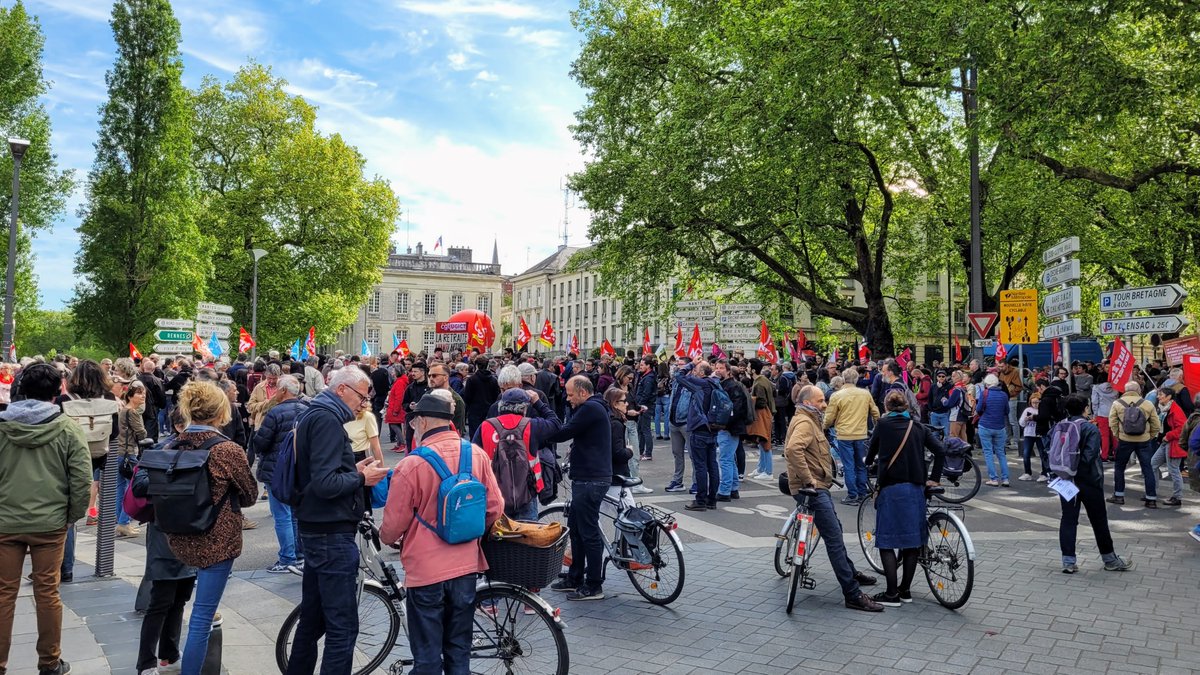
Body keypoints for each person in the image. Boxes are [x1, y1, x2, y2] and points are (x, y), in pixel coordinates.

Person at [380, 391, 503, 673]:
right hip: (466, 566)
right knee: (459, 649)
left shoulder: (411, 464)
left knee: (427, 655)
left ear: (421, 422)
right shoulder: (476, 454)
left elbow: (392, 526)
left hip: (426, 572)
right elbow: (495, 507)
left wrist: (386, 536)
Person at [285, 366, 390, 674]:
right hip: (330, 533)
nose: (365, 402)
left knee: (313, 621)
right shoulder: (327, 420)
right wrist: (361, 476)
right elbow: (325, 484)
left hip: (319, 528)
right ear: (342, 390)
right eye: (361, 395)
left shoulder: (315, 414)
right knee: (342, 627)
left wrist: (355, 469)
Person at [154, 381, 257, 675]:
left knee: (182, 605)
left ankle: (166, 656)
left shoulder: (171, 444)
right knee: (202, 616)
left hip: (178, 537)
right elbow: (249, 495)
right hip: (216, 539)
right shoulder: (227, 450)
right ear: (221, 411)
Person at [0, 363, 91, 675]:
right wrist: (71, 516)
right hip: (50, 524)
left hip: (5, 522)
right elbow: (81, 479)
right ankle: (49, 662)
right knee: (47, 592)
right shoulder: (67, 428)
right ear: (56, 395)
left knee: (3, 593)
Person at [784, 385, 882, 612]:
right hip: (813, 489)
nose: (824, 404)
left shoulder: (808, 419)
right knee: (834, 540)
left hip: (815, 487)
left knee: (834, 530)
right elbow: (792, 450)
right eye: (820, 401)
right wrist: (809, 480)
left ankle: (850, 573)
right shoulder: (805, 423)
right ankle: (852, 593)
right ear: (808, 402)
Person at [864, 391, 945, 606]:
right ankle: (905, 591)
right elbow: (940, 450)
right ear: (907, 406)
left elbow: (871, 454)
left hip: (891, 489)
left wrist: (871, 463)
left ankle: (891, 593)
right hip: (916, 489)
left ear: (886, 406)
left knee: (887, 541)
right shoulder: (918, 427)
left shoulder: (882, 425)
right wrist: (934, 479)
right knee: (912, 543)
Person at [547, 376, 611, 601]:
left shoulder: (590, 409)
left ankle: (594, 585)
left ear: (583, 392)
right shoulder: (591, 407)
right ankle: (575, 577)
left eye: (571, 393)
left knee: (588, 532)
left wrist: (542, 415)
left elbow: (563, 432)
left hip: (591, 479)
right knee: (576, 528)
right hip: (586, 477)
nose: (568, 398)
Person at [1057, 394, 1135, 573]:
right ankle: (1110, 559)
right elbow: (1090, 456)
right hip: (1089, 481)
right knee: (1098, 520)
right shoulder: (1090, 429)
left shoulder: (1060, 426)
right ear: (1085, 408)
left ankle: (1068, 562)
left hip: (1066, 480)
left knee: (1068, 519)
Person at [249, 375, 308, 574]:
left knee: (282, 515)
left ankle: (287, 558)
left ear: (283, 391)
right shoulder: (307, 411)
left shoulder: (275, 413)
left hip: (277, 471)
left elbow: (261, 442)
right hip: (300, 470)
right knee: (294, 515)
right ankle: (298, 555)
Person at [472, 388, 559, 520]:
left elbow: (474, 458)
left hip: (495, 494)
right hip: (526, 494)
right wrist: (537, 402)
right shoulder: (532, 425)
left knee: (497, 537)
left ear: (500, 406)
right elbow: (556, 424)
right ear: (524, 408)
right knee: (526, 537)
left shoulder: (485, 426)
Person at [823, 367, 879, 505]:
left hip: (844, 434)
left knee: (848, 465)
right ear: (856, 379)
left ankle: (852, 495)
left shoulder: (837, 395)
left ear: (843, 379)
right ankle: (862, 492)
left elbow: (829, 417)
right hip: (860, 434)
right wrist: (878, 426)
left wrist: (823, 427)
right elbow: (875, 412)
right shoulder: (865, 394)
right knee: (861, 465)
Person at [675, 360, 721, 511]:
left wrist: (691, 363)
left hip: (699, 427)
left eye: (696, 370)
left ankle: (700, 500)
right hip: (712, 428)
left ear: (701, 373)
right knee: (712, 465)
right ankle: (712, 499)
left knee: (700, 466)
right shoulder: (715, 383)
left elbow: (679, 376)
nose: (694, 371)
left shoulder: (700, 384)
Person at [1107, 381, 1161, 508]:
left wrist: (1118, 435)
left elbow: (1112, 423)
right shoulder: (1147, 404)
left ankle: (1119, 495)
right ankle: (1151, 499)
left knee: (1119, 467)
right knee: (1148, 469)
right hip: (1144, 440)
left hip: (1125, 440)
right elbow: (1156, 424)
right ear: (1139, 390)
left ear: (1125, 390)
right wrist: (1150, 435)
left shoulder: (1117, 403)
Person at [345, 369, 385, 514]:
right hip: (342, 459)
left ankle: (368, 530)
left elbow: (376, 446)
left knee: (363, 502)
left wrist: (380, 470)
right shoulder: (339, 414)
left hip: (360, 457)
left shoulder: (367, 417)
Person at [116, 381, 150, 537]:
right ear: (130, 395)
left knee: (120, 488)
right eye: (138, 393)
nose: (142, 395)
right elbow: (142, 433)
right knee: (133, 487)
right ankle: (124, 523)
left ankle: (120, 523)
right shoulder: (132, 412)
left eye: (143, 392)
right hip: (129, 453)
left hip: (120, 452)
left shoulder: (124, 410)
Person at [713, 359, 749, 501]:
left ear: (728, 370)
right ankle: (733, 488)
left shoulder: (732, 387)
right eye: (716, 367)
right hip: (730, 427)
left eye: (721, 368)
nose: (718, 370)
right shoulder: (726, 385)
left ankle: (725, 491)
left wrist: (722, 422)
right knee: (729, 459)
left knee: (725, 459)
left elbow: (735, 409)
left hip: (729, 428)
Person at [1150, 387, 1186, 507]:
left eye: (1161, 395)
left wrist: (1168, 436)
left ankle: (1177, 497)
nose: (1158, 397)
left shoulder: (1175, 410)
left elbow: (1182, 429)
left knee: (1174, 470)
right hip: (1166, 442)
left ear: (1169, 397)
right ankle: (1152, 492)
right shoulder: (1165, 409)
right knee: (1153, 464)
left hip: (1173, 443)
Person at [976, 373, 1011, 487]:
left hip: (985, 425)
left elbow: (979, 408)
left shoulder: (984, 394)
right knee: (1001, 453)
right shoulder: (1004, 395)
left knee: (988, 453)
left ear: (987, 384)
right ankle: (1005, 479)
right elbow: (1007, 411)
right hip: (1000, 427)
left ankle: (993, 479)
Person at [745, 359, 776, 480]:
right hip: (767, 412)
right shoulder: (763, 380)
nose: (747, 368)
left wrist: (751, 400)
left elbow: (761, 402)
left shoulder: (758, 383)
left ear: (753, 370)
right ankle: (761, 468)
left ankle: (767, 471)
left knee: (764, 442)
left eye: (748, 367)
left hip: (762, 413)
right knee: (762, 442)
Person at [462, 355, 500, 437]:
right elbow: (496, 396)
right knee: (488, 435)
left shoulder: (471, 380)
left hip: (474, 412)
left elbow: (467, 397)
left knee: (475, 437)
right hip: (489, 412)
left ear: (476, 366)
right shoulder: (494, 380)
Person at [1018, 392, 1049, 482]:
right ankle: (1027, 472)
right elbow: (1021, 423)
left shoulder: (1042, 410)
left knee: (1042, 453)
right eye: (1033, 403)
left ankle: (1044, 473)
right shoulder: (1027, 410)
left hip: (1039, 433)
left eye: (1037, 402)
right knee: (1026, 453)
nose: (1035, 405)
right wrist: (1026, 419)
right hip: (1029, 433)